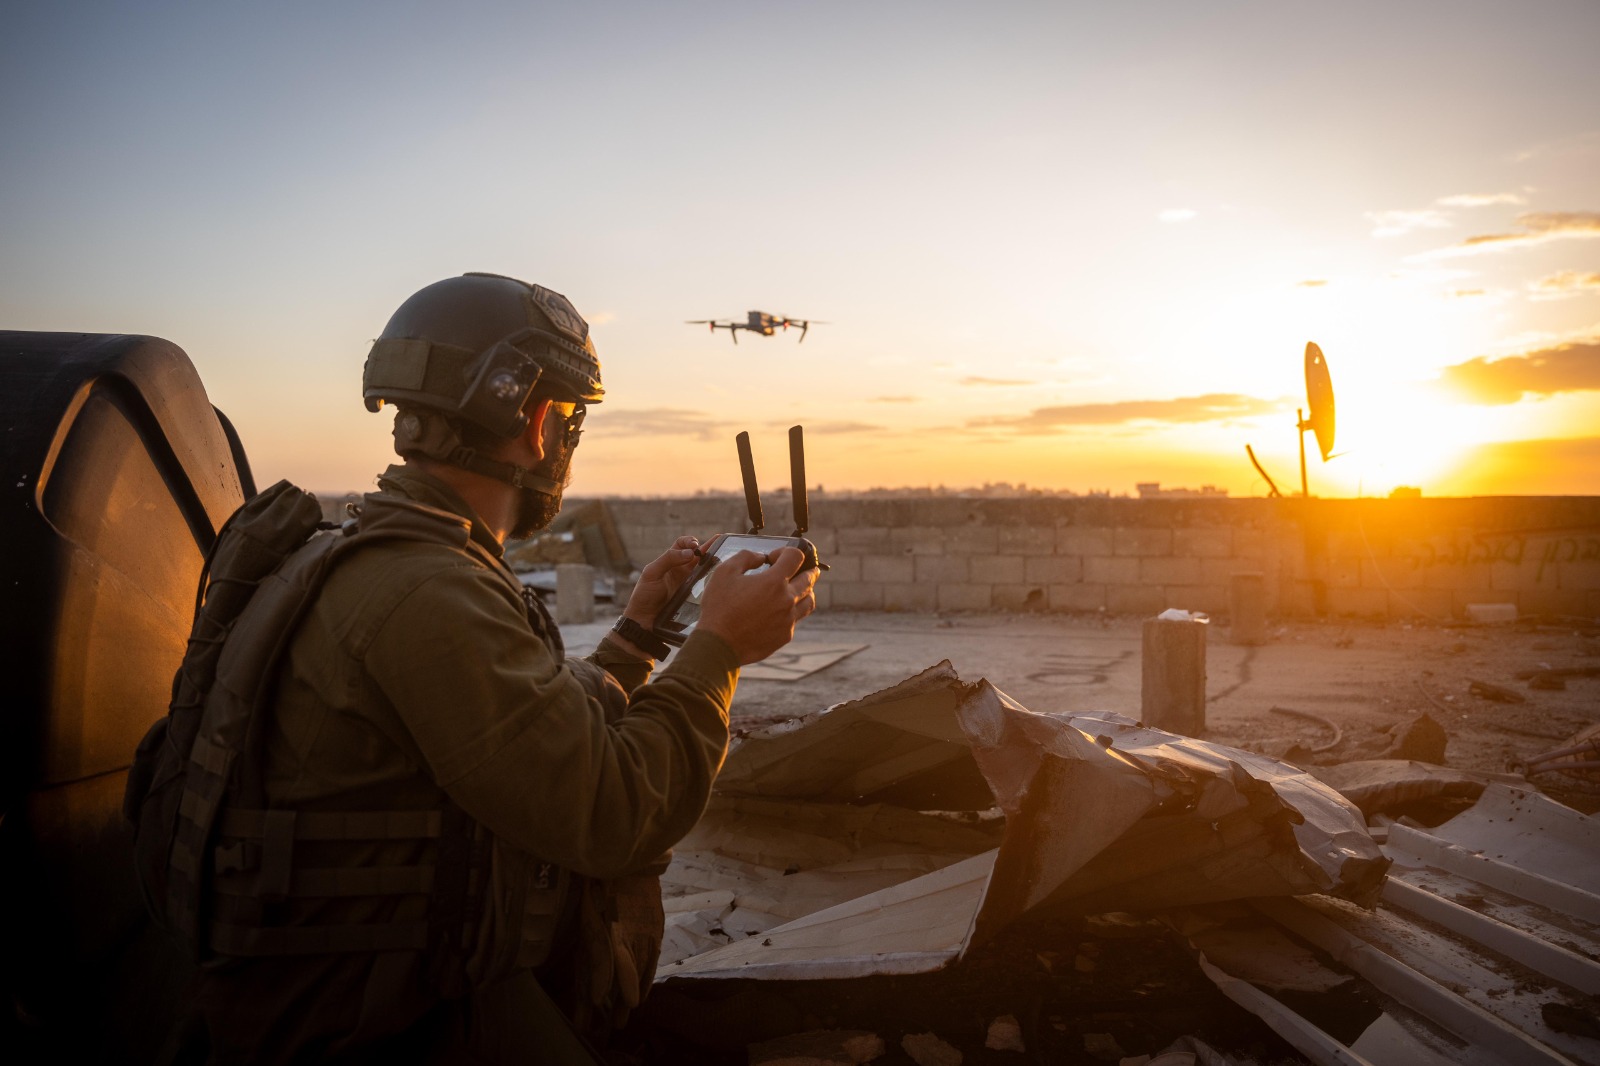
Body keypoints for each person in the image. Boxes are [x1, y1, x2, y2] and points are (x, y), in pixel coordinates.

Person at [187, 272, 818, 1063]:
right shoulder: (427, 591)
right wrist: (719, 649)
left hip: (321, 989)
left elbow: (523, 724)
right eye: (572, 419)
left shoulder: (367, 555)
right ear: (536, 419)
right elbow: (617, 811)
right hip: (371, 1021)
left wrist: (637, 638)